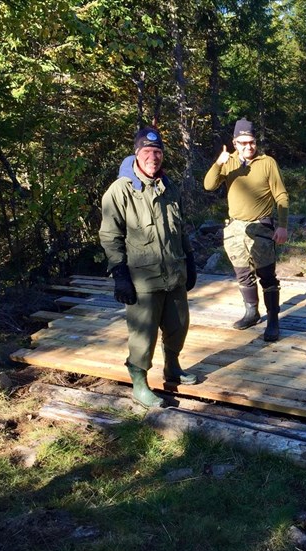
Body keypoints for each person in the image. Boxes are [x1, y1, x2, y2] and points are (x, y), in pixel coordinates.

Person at [99, 125, 198, 408]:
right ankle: (140, 384)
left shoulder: (169, 187)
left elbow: (180, 231)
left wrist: (190, 261)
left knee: (178, 326)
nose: (153, 157)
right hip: (142, 279)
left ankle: (173, 368)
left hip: (174, 274)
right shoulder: (120, 191)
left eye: (157, 152)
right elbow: (110, 235)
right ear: (136, 154)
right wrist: (119, 274)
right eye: (147, 151)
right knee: (143, 336)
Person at [203, 118, 289, 342]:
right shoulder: (228, 162)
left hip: (260, 226)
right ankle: (251, 312)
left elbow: (281, 195)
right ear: (234, 142)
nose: (248, 146)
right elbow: (209, 185)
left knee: (267, 275)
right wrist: (218, 163)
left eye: (251, 142)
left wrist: (282, 225)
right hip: (234, 228)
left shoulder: (267, 162)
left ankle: (273, 320)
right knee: (243, 274)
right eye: (243, 142)